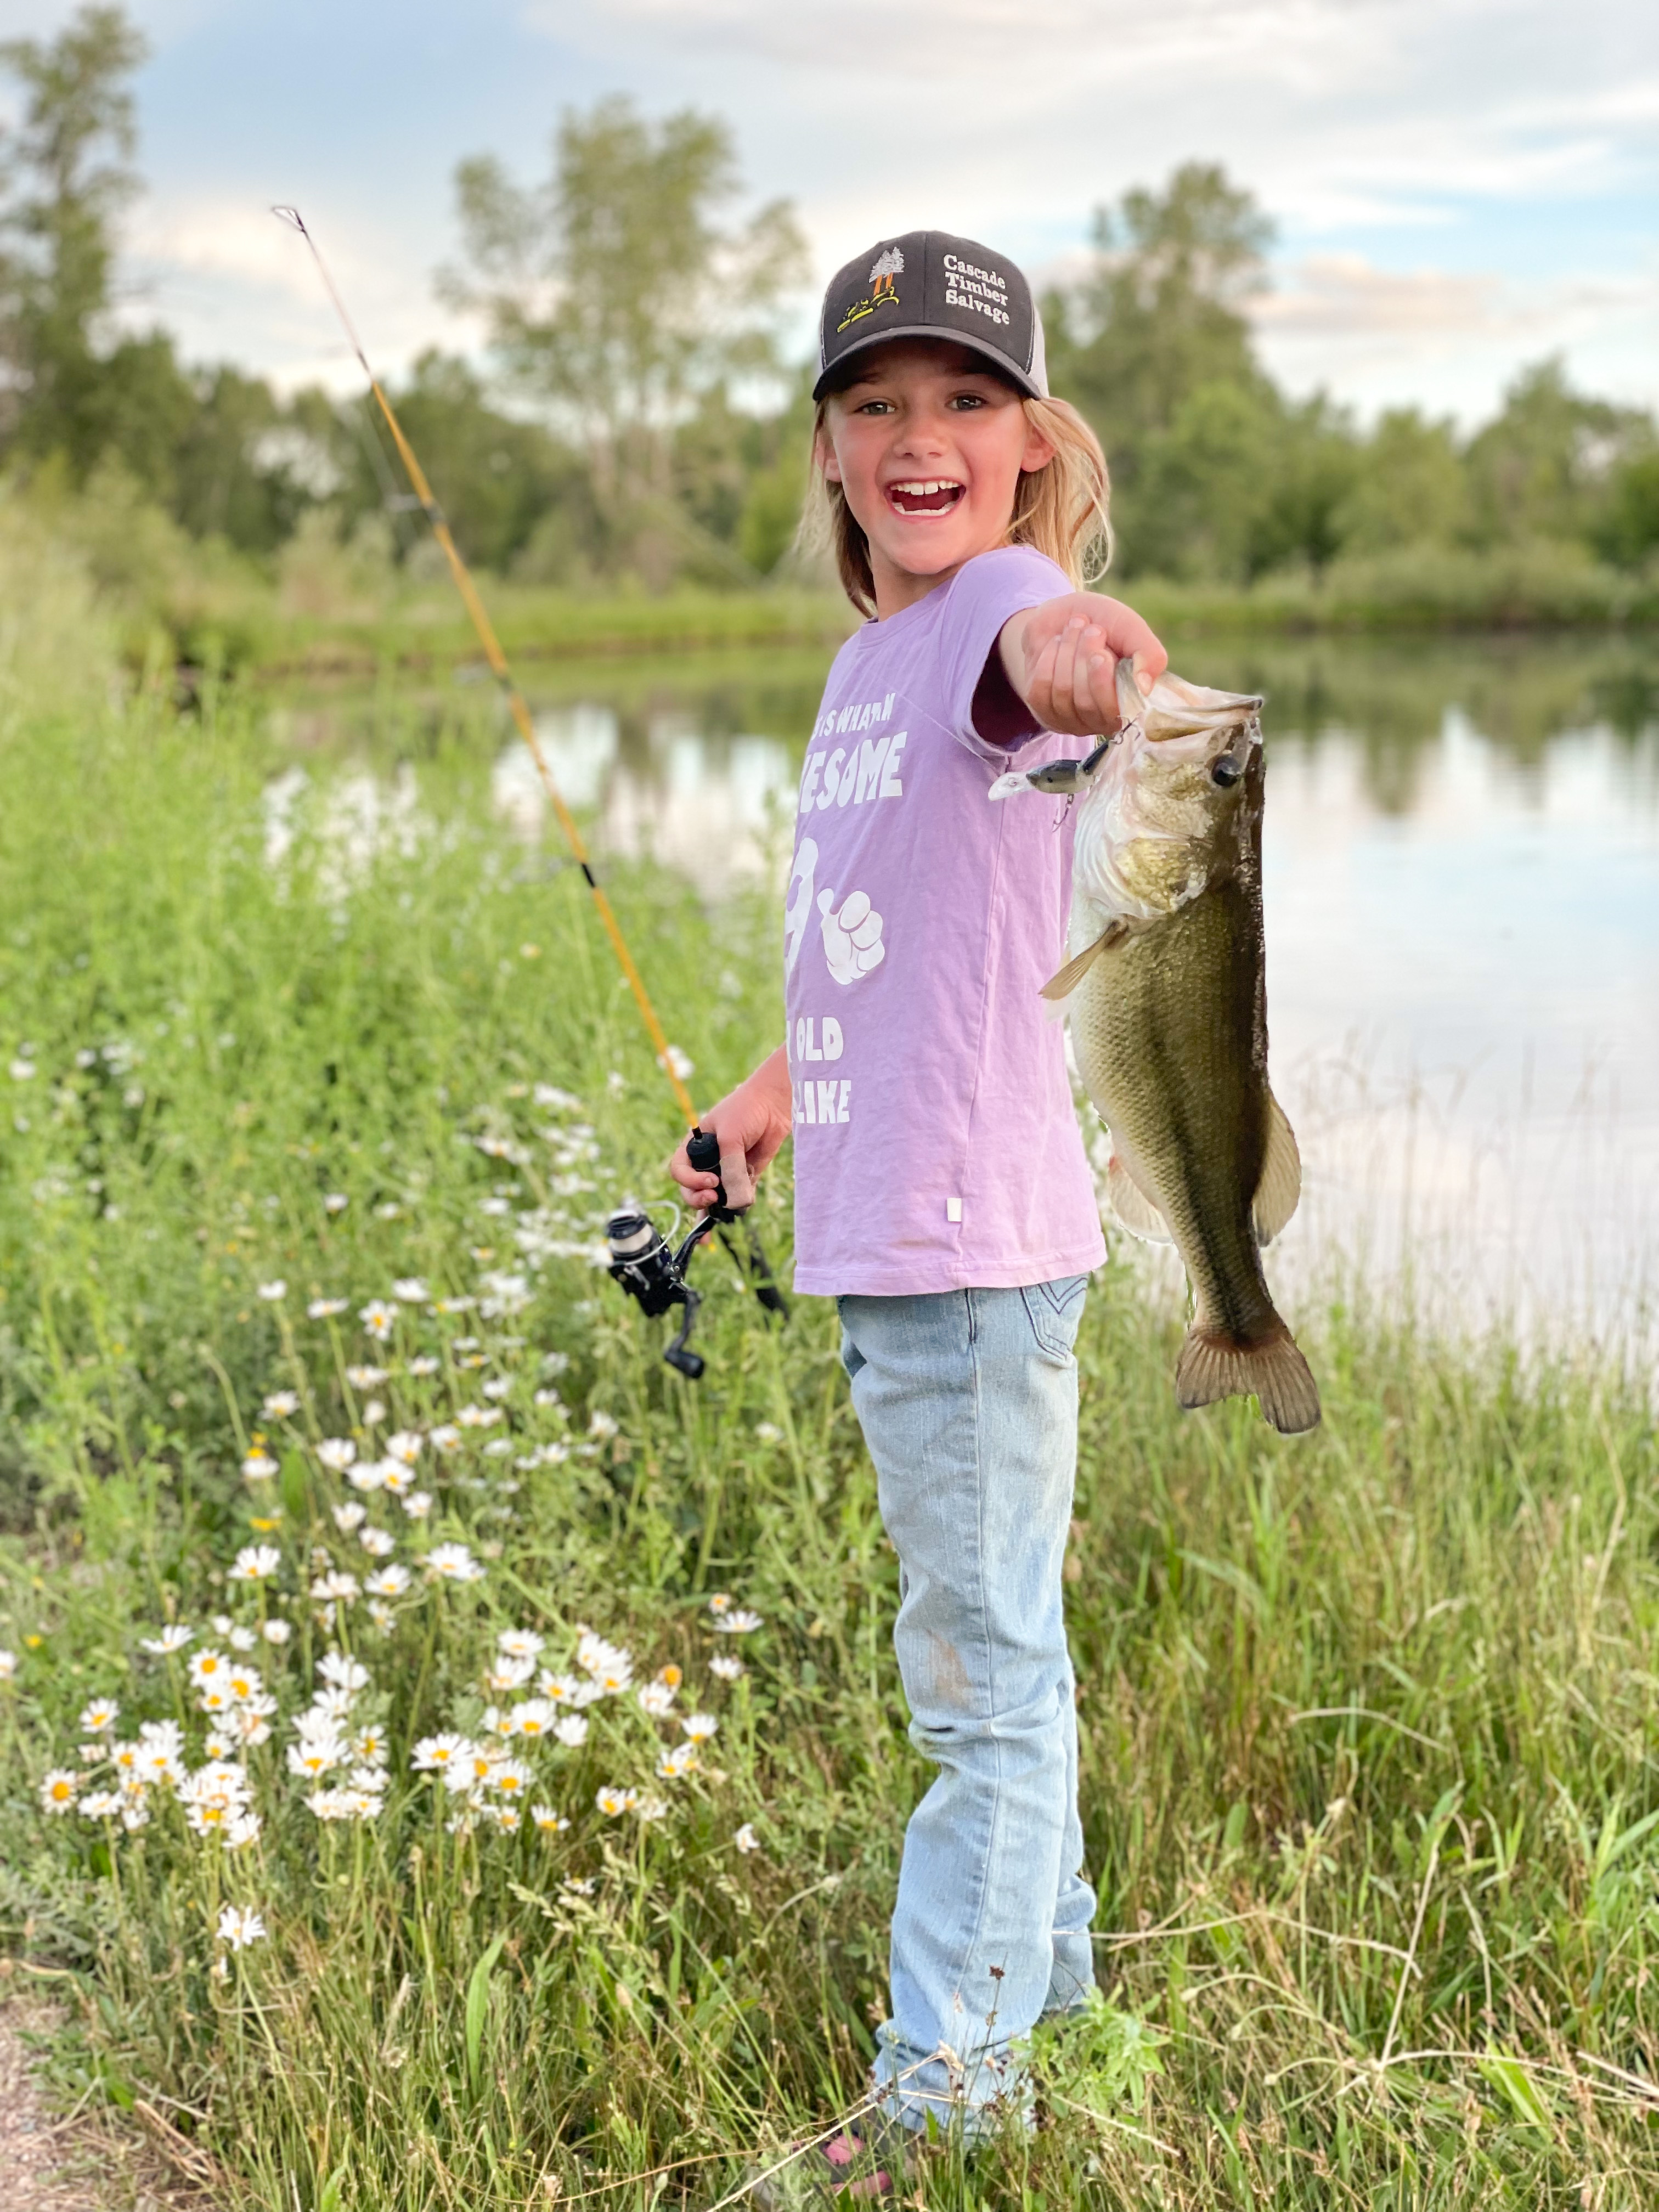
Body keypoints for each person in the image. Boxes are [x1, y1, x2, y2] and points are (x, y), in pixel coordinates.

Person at [670, 230, 1167, 2199]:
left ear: (1034, 441)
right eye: (875, 402)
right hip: (899, 1225)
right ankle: (1062, 2006)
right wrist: (773, 1091)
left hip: (968, 1241)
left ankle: (944, 2106)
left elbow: (1046, 674)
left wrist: (1076, 656)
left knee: (976, 1688)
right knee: (1000, 1649)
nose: (919, 436)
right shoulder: (867, 658)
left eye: (966, 401)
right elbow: (869, 938)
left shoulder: (1003, 610)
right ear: (826, 446)